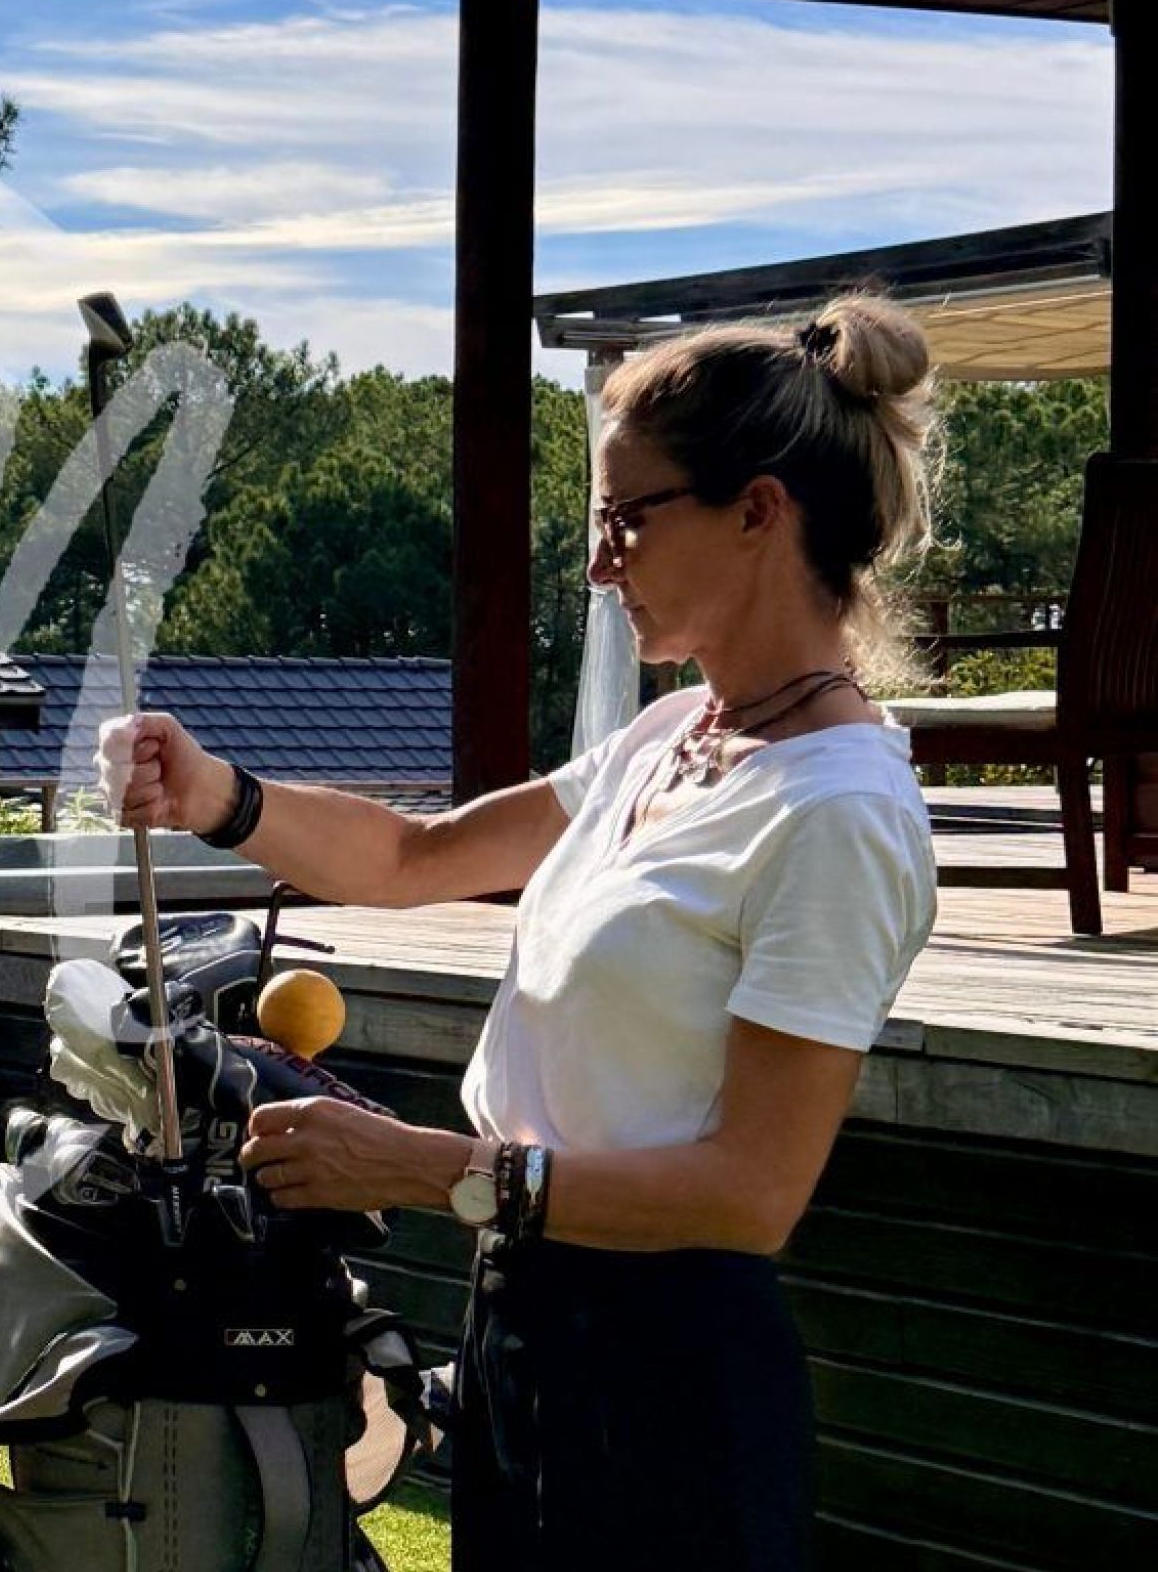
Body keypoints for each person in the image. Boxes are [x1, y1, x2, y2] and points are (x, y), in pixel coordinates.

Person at [100, 293, 944, 1571]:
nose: (600, 564)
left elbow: (750, 1195)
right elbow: (415, 856)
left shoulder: (839, 813)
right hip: (528, 1324)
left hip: (668, 1382)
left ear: (759, 511)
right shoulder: (673, 738)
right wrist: (216, 792)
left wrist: (426, 1168)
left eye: (627, 518)